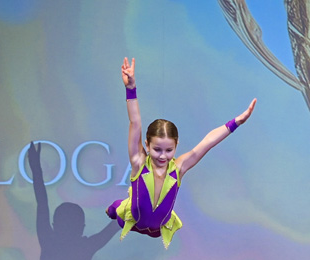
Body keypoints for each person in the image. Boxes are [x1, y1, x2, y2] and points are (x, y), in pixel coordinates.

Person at [106, 57, 256, 248]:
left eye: (169, 150)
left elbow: (207, 143)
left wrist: (236, 123)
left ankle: (120, 205)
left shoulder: (179, 167)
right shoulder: (139, 161)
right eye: (157, 149)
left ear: (176, 146)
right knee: (118, 210)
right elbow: (135, 122)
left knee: (148, 220)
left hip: (157, 229)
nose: (163, 156)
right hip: (132, 221)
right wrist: (131, 88)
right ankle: (115, 207)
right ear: (147, 145)